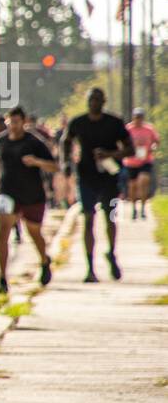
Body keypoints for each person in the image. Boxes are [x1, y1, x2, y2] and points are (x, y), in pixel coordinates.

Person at [0, 106, 57, 293]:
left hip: (32, 194)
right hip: (6, 192)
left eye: (16, 122)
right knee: (3, 232)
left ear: (24, 122)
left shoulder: (34, 142)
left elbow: (54, 167)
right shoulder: (1, 140)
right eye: (10, 121)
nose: (13, 125)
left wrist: (36, 162)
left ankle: (44, 260)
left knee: (34, 232)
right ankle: (2, 277)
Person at [61, 87, 132, 282]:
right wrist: (66, 162)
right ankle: (90, 267)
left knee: (110, 219)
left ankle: (111, 253)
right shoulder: (78, 122)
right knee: (88, 218)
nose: (94, 103)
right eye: (91, 99)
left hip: (110, 177)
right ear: (87, 101)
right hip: (86, 177)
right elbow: (66, 141)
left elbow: (130, 148)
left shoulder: (114, 123)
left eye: (98, 99)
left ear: (104, 101)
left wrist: (110, 155)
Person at [124, 108, 159, 220]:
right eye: (136, 117)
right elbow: (121, 142)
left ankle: (143, 208)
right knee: (133, 186)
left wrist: (153, 148)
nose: (138, 119)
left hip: (145, 159)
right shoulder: (128, 129)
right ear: (133, 117)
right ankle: (134, 208)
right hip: (131, 161)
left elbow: (156, 142)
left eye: (140, 117)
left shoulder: (149, 129)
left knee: (143, 180)